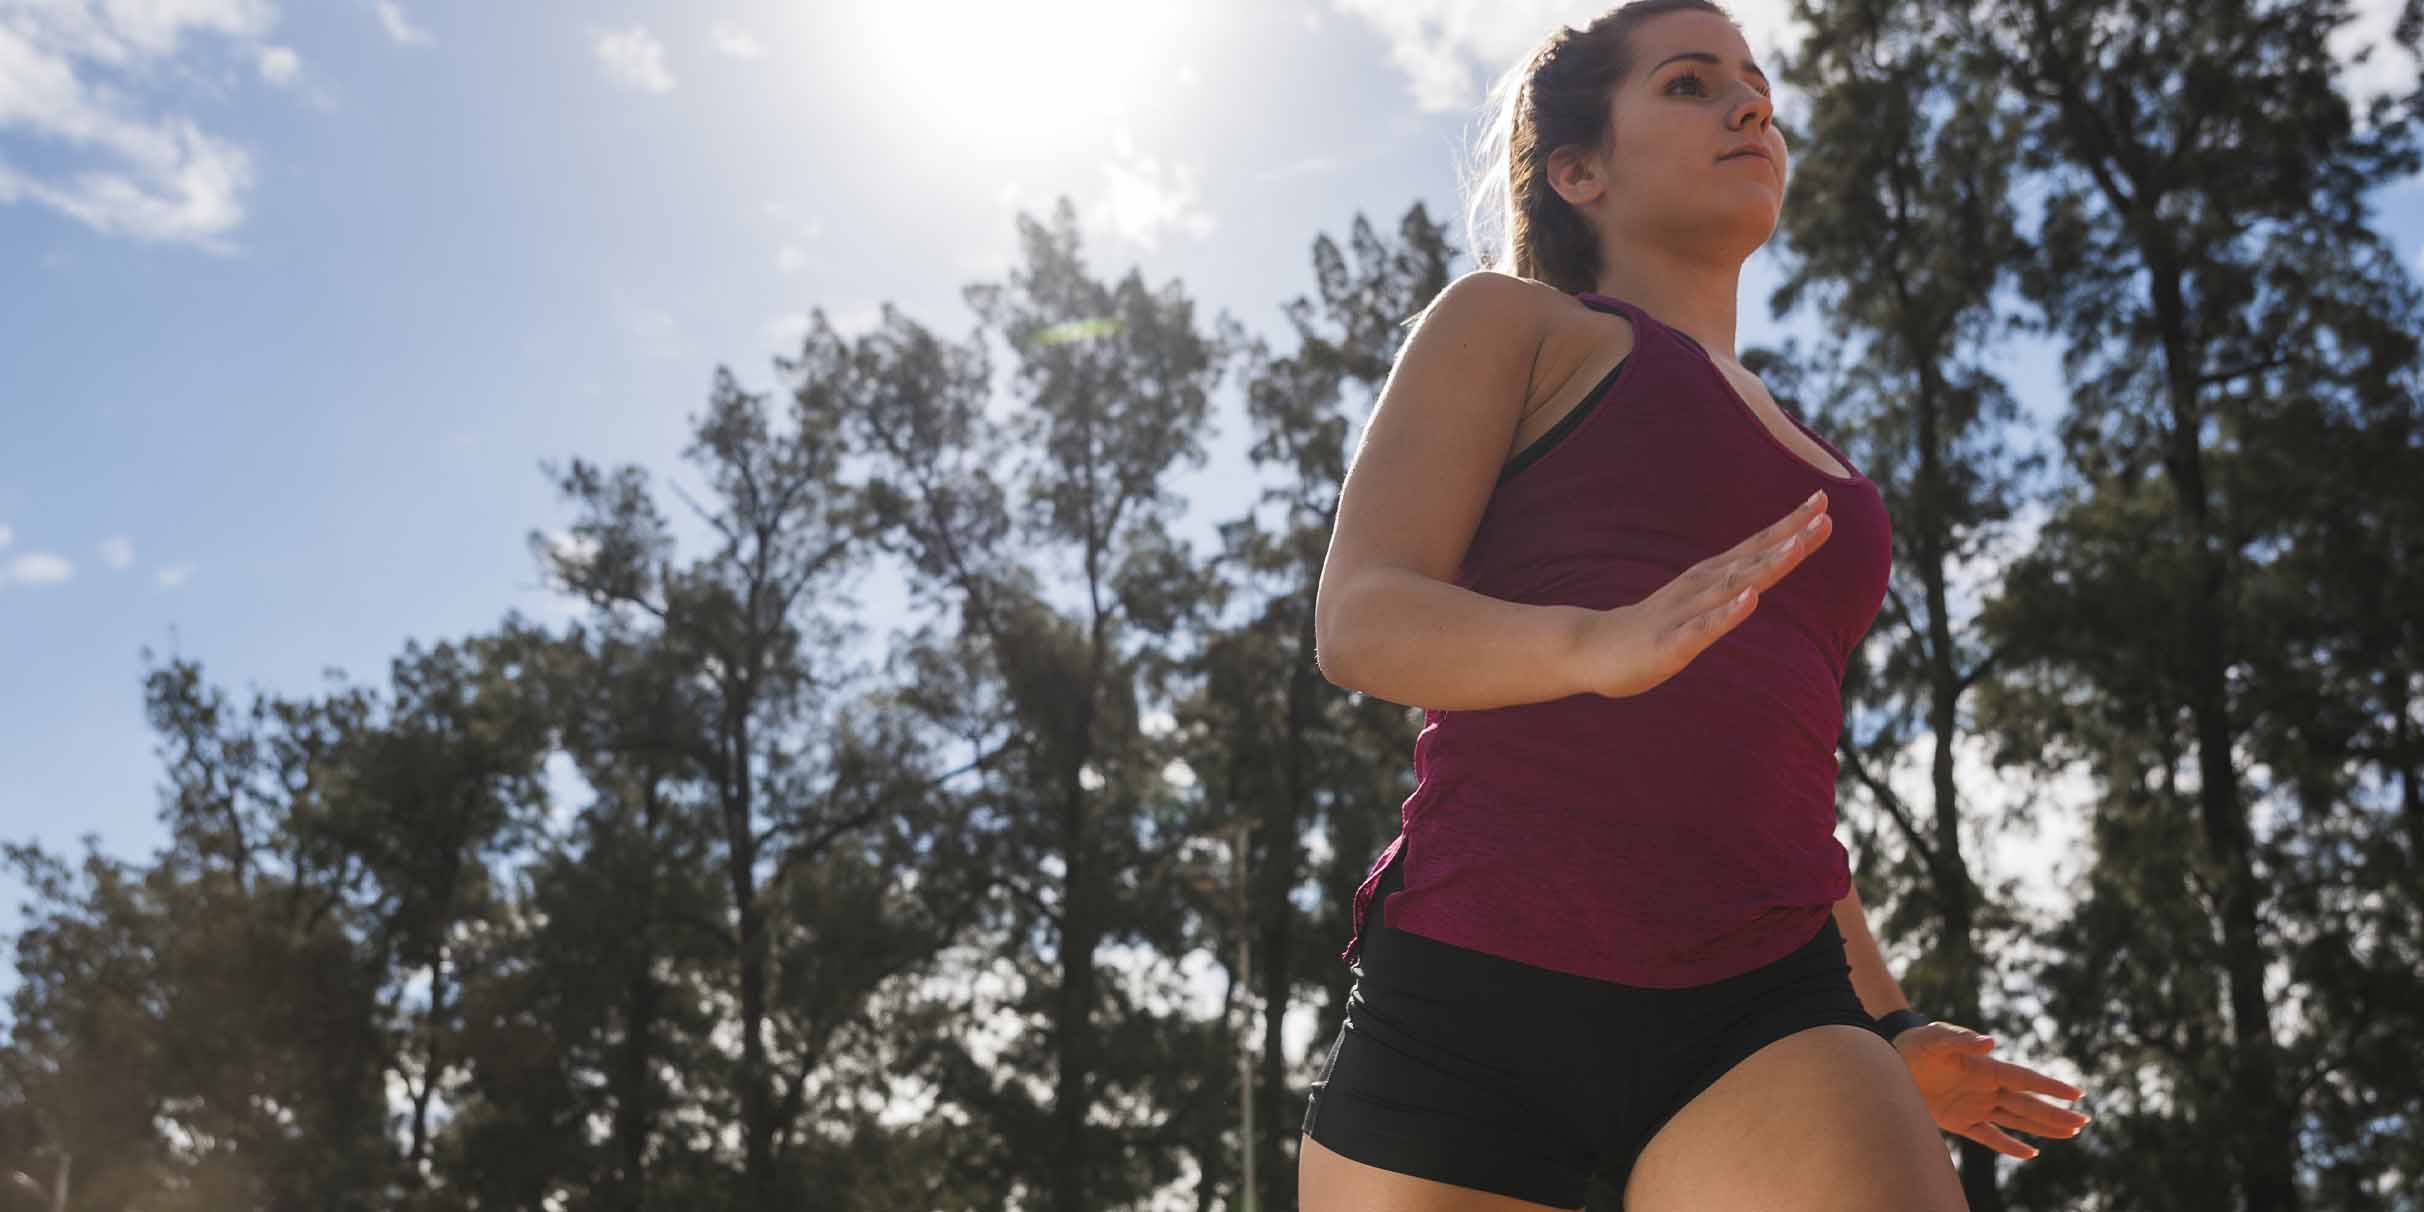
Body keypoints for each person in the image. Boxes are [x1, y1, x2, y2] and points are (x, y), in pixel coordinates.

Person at [1296, 3, 2091, 1210]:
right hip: (1476, 994)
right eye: (1689, 83)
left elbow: (1770, 785)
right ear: (1578, 170)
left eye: (1759, 82)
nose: (1752, 104)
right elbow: (1361, 618)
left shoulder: (1829, 471)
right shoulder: (1513, 325)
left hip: (1766, 1010)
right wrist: (1596, 646)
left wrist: (1892, 1019)